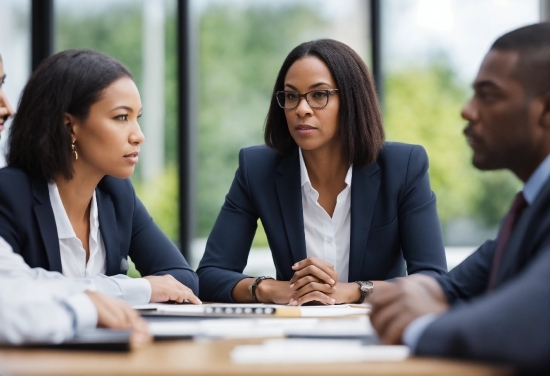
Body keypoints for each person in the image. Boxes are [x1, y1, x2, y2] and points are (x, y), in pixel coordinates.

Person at [198, 39, 447, 305]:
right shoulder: (257, 169)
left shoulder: (404, 166)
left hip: (376, 333)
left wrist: (354, 291)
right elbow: (209, 276)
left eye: (319, 95)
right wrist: (269, 288)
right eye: (291, 96)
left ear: (352, 100)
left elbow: (433, 279)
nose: (301, 109)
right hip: (290, 332)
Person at [369, 23, 550, 374]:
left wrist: (419, 326)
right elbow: (452, 287)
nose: (467, 111)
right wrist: (414, 292)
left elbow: (531, 323)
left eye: (489, 95)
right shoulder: (531, 206)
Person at [0, 49, 200, 306]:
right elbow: (17, 293)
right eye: (121, 117)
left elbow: (183, 279)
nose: (138, 135)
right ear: (69, 127)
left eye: (136, 118)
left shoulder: (116, 193)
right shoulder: (9, 194)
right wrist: (135, 289)